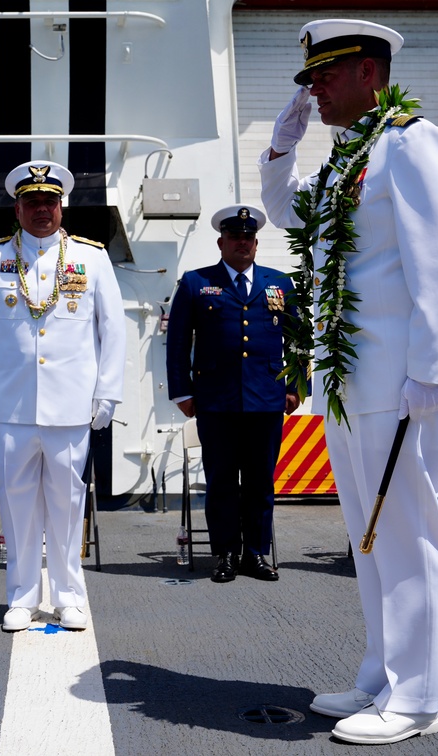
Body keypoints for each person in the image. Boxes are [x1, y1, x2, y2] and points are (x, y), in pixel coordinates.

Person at [259, 20, 438, 745]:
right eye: (309, 80)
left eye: (325, 76)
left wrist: (431, 371)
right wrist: (282, 145)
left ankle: (416, 700)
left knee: (409, 539)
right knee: (370, 539)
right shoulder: (348, 159)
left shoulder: (412, 143)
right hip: (350, 387)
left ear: (370, 76)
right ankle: (381, 674)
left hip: (401, 386)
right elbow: (286, 212)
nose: (313, 90)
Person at [0, 160, 126, 632]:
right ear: (17, 208)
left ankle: (69, 595)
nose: (41, 210)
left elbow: (113, 331)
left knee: (69, 508)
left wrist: (107, 392)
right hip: (11, 409)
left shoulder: (92, 258)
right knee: (16, 508)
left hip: (71, 407)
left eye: (49, 201)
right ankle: (21, 597)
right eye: (32, 202)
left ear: (61, 205)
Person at [165, 205, 300, 583]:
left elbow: (299, 343)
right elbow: (177, 345)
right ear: (221, 242)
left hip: (266, 400)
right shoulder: (196, 282)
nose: (242, 243)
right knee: (222, 481)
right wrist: (182, 394)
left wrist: (295, 389)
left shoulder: (279, 284)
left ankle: (255, 554)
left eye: (248, 237)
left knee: (260, 482)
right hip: (216, 401)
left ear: (256, 243)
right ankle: (224, 554)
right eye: (235, 237)